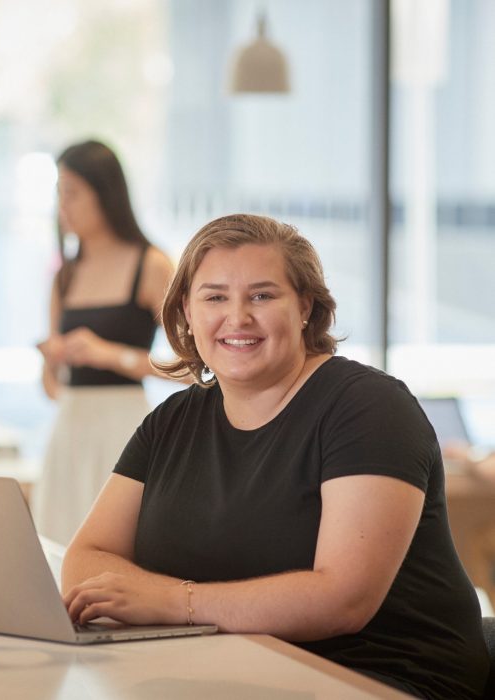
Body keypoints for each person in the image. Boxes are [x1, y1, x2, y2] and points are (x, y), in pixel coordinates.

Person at [61, 214, 490, 699]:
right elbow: (85, 560)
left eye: (262, 296)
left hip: (376, 679)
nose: (238, 317)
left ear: (305, 306)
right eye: (215, 296)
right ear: (186, 310)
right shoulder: (173, 420)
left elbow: (341, 599)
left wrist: (170, 601)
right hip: (230, 669)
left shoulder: (369, 408)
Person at [33, 140, 174, 546]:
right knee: (59, 546)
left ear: (105, 193)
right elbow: (49, 386)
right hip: (70, 429)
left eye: (73, 193)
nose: (63, 206)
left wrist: (112, 355)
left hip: (124, 427)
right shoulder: (65, 275)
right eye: (59, 194)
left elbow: (193, 367)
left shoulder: (151, 265)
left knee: (118, 548)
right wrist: (53, 359)